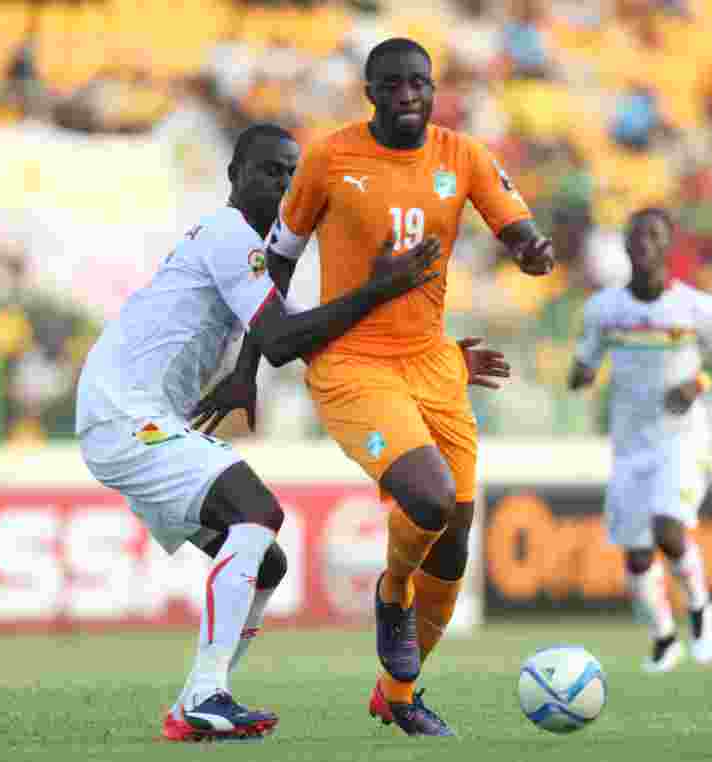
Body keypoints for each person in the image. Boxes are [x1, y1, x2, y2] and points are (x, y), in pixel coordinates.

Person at [75, 123, 447, 743]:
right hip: (123, 412)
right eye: (268, 170)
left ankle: (195, 704)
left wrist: (438, 353)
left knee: (264, 560)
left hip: (135, 417)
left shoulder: (241, 253)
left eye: (290, 174)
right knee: (258, 511)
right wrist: (378, 285)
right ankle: (206, 697)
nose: (281, 183)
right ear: (234, 176)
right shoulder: (230, 235)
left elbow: (305, 332)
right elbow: (280, 340)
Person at [264, 37, 555, 736]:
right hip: (352, 365)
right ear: (369, 92)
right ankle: (391, 593)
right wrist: (255, 354)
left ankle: (397, 693)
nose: (406, 96)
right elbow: (274, 264)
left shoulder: (463, 157)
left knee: (454, 538)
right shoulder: (330, 158)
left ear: (434, 88)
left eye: (417, 83)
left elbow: (516, 226)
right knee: (426, 497)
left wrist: (531, 250)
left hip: (433, 364)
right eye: (390, 85)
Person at [568, 208, 712, 673]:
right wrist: (580, 375)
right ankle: (664, 637)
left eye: (655, 236)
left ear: (669, 246)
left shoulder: (697, 308)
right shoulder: (604, 310)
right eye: (637, 237)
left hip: (681, 439)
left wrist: (698, 384)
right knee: (638, 551)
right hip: (629, 444)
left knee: (669, 527)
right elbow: (584, 363)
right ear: (626, 247)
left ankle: (701, 607)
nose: (645, 244)